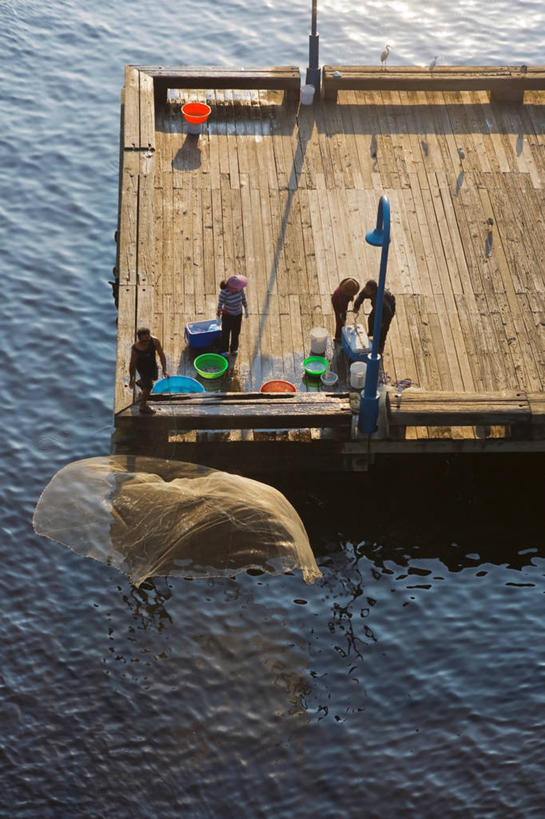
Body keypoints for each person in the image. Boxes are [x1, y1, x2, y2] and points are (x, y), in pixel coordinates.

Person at [129, 327, 169, 414]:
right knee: (149, 386)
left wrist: (164, 370)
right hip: (142, 368)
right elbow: (132, 364)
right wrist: (131, 379)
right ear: (139, 339)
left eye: (148, 339)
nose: (146, 342)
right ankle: (143, 406)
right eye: (144, 341)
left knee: (154, 378)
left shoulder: (155, 342)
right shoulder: (135, 349)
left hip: (152, 365)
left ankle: (140, 382)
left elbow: (161, 355)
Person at [353, 279, 396, 354]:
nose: (365, 291)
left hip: (386, 312)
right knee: (371, 319)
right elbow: (361, 295)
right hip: (377, 308)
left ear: (373, 291)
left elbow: (388, 313)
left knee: (382, 331)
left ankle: (380, 347)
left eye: (367, 290)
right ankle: (371, 335)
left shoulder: (381, 299)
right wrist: (356, 305)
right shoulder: (368, 291)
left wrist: (383, 323)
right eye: (366, 289)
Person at [217, 274, 248, 356]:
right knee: (225, 333)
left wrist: (246, 308)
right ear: (230, 287)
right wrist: (218, 316)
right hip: (228, 315)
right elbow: (220, 304)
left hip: (238, 315)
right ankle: (223, 350)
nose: (238, 289)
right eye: (236, 288)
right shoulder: (224, 293)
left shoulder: (240, 289)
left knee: (236, 332)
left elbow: (243, 298)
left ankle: (234, 349)